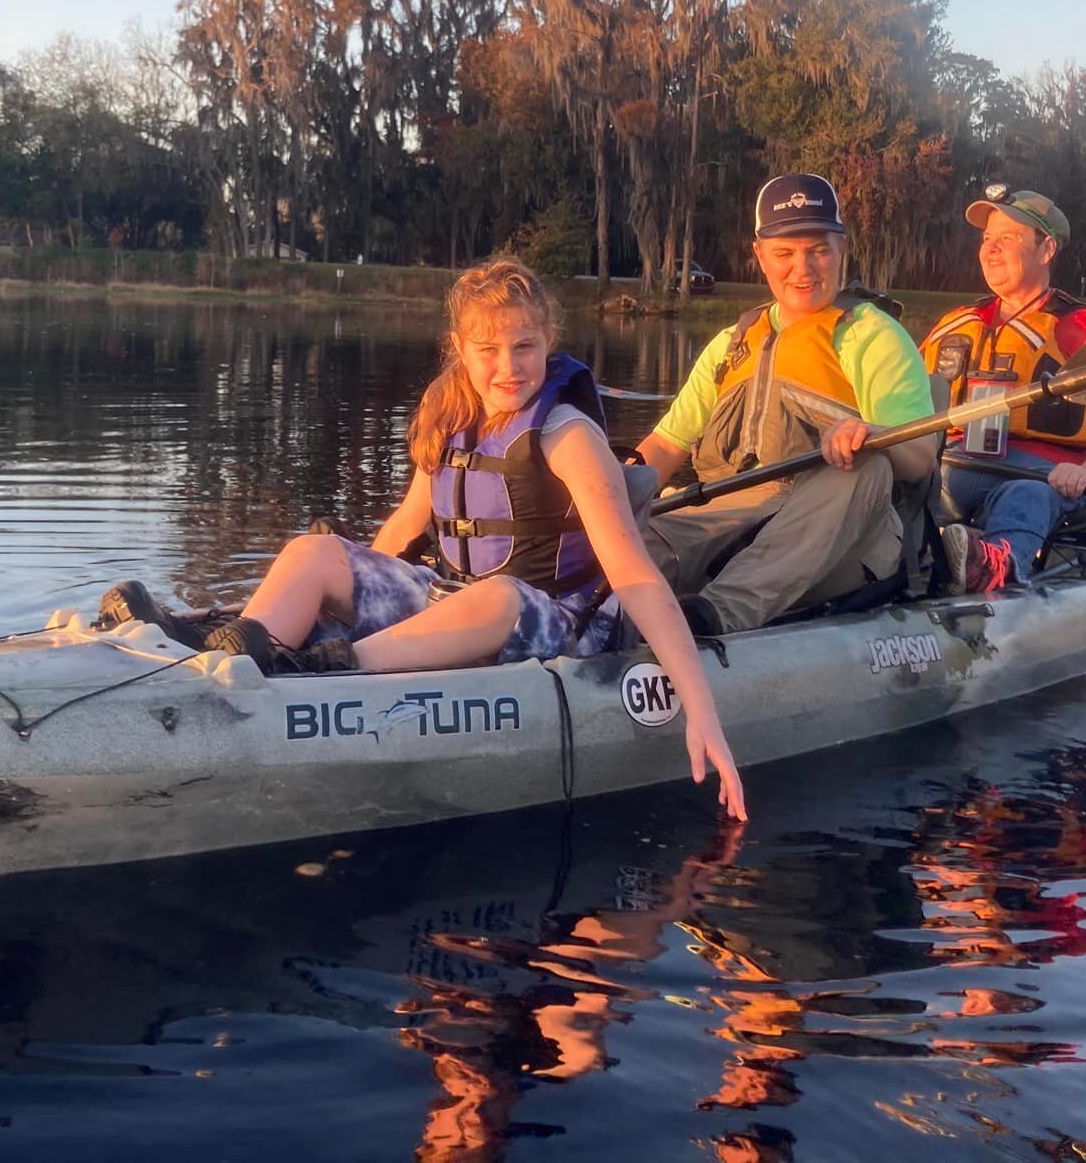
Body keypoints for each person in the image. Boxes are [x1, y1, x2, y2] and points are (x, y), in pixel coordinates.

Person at [124, 258, 745, 820]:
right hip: (458, 595)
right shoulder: (452, 416)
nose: (509, 367)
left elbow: (634, 575)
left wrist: (702, 709)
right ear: (459, 348)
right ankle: (239, 651)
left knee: (498, 596)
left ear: (549, 342)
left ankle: (323, 670)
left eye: (525, 346)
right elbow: (401, 528)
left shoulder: (567, 434)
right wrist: (341, 593)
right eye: (488, 349)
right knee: (312, 552)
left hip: (559, 618)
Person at [632, 174, 936, 636]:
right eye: (785, 253)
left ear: (840, 249)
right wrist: (609, 493)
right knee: (627, 538)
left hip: (840, 540)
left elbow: (920, 461)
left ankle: (711, 620)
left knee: (867, 468)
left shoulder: (874, 336)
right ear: (760, 256)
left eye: (818, 249)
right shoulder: (731, 344)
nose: (803, 268)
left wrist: (874, 435)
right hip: (732, 522)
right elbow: (666, 446)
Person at [918, 184, 1086, 592]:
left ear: (1046, 251)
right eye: (987, 238)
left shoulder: (1083, 329)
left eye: (1007, 238)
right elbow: (905, 408)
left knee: (1027, 494)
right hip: (960, 465)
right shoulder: (956, 322)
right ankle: (914, 558)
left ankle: (995, 566)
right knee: (905, 482)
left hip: (1055, 479)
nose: (990, 249)